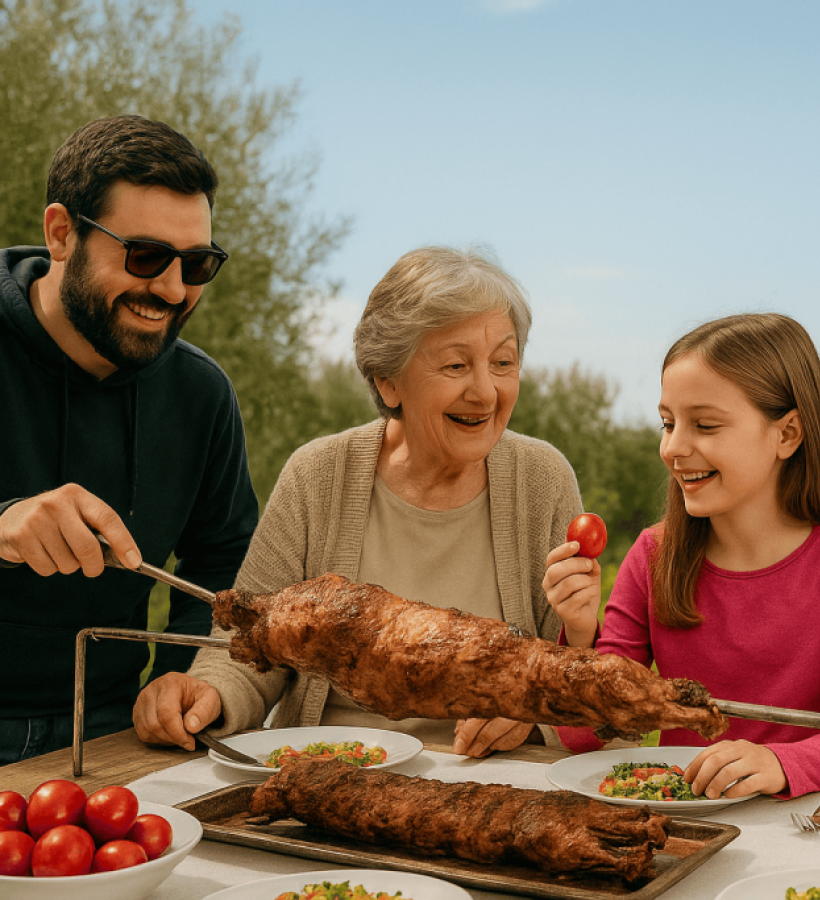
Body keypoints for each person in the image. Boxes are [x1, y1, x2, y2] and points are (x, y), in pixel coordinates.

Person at [133, 245, 583, 757]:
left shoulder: (542, 479)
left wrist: (527, 713)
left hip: (493, 786)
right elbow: (252, 647)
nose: (485, 391)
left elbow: (576, 667)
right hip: (336, 777)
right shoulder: (317, 475)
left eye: (503, 362)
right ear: (387, 381)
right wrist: (208, 692)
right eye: (457, 365)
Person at [544, 313, 820, 799]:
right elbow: (582, 737)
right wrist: (582, 635)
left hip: (800, 825)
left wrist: (779, 762)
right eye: (667, 423)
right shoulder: (654, 555)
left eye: (705, 425)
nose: (673, 447)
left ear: (787, 434)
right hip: (679, 823)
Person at [0, 115, 258, 765]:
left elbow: (223, 562)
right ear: (62, 234)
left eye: (197, 264)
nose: (173, 289)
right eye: (145, 256)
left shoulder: (201, 394)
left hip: (112, 728)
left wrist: (186, 672)